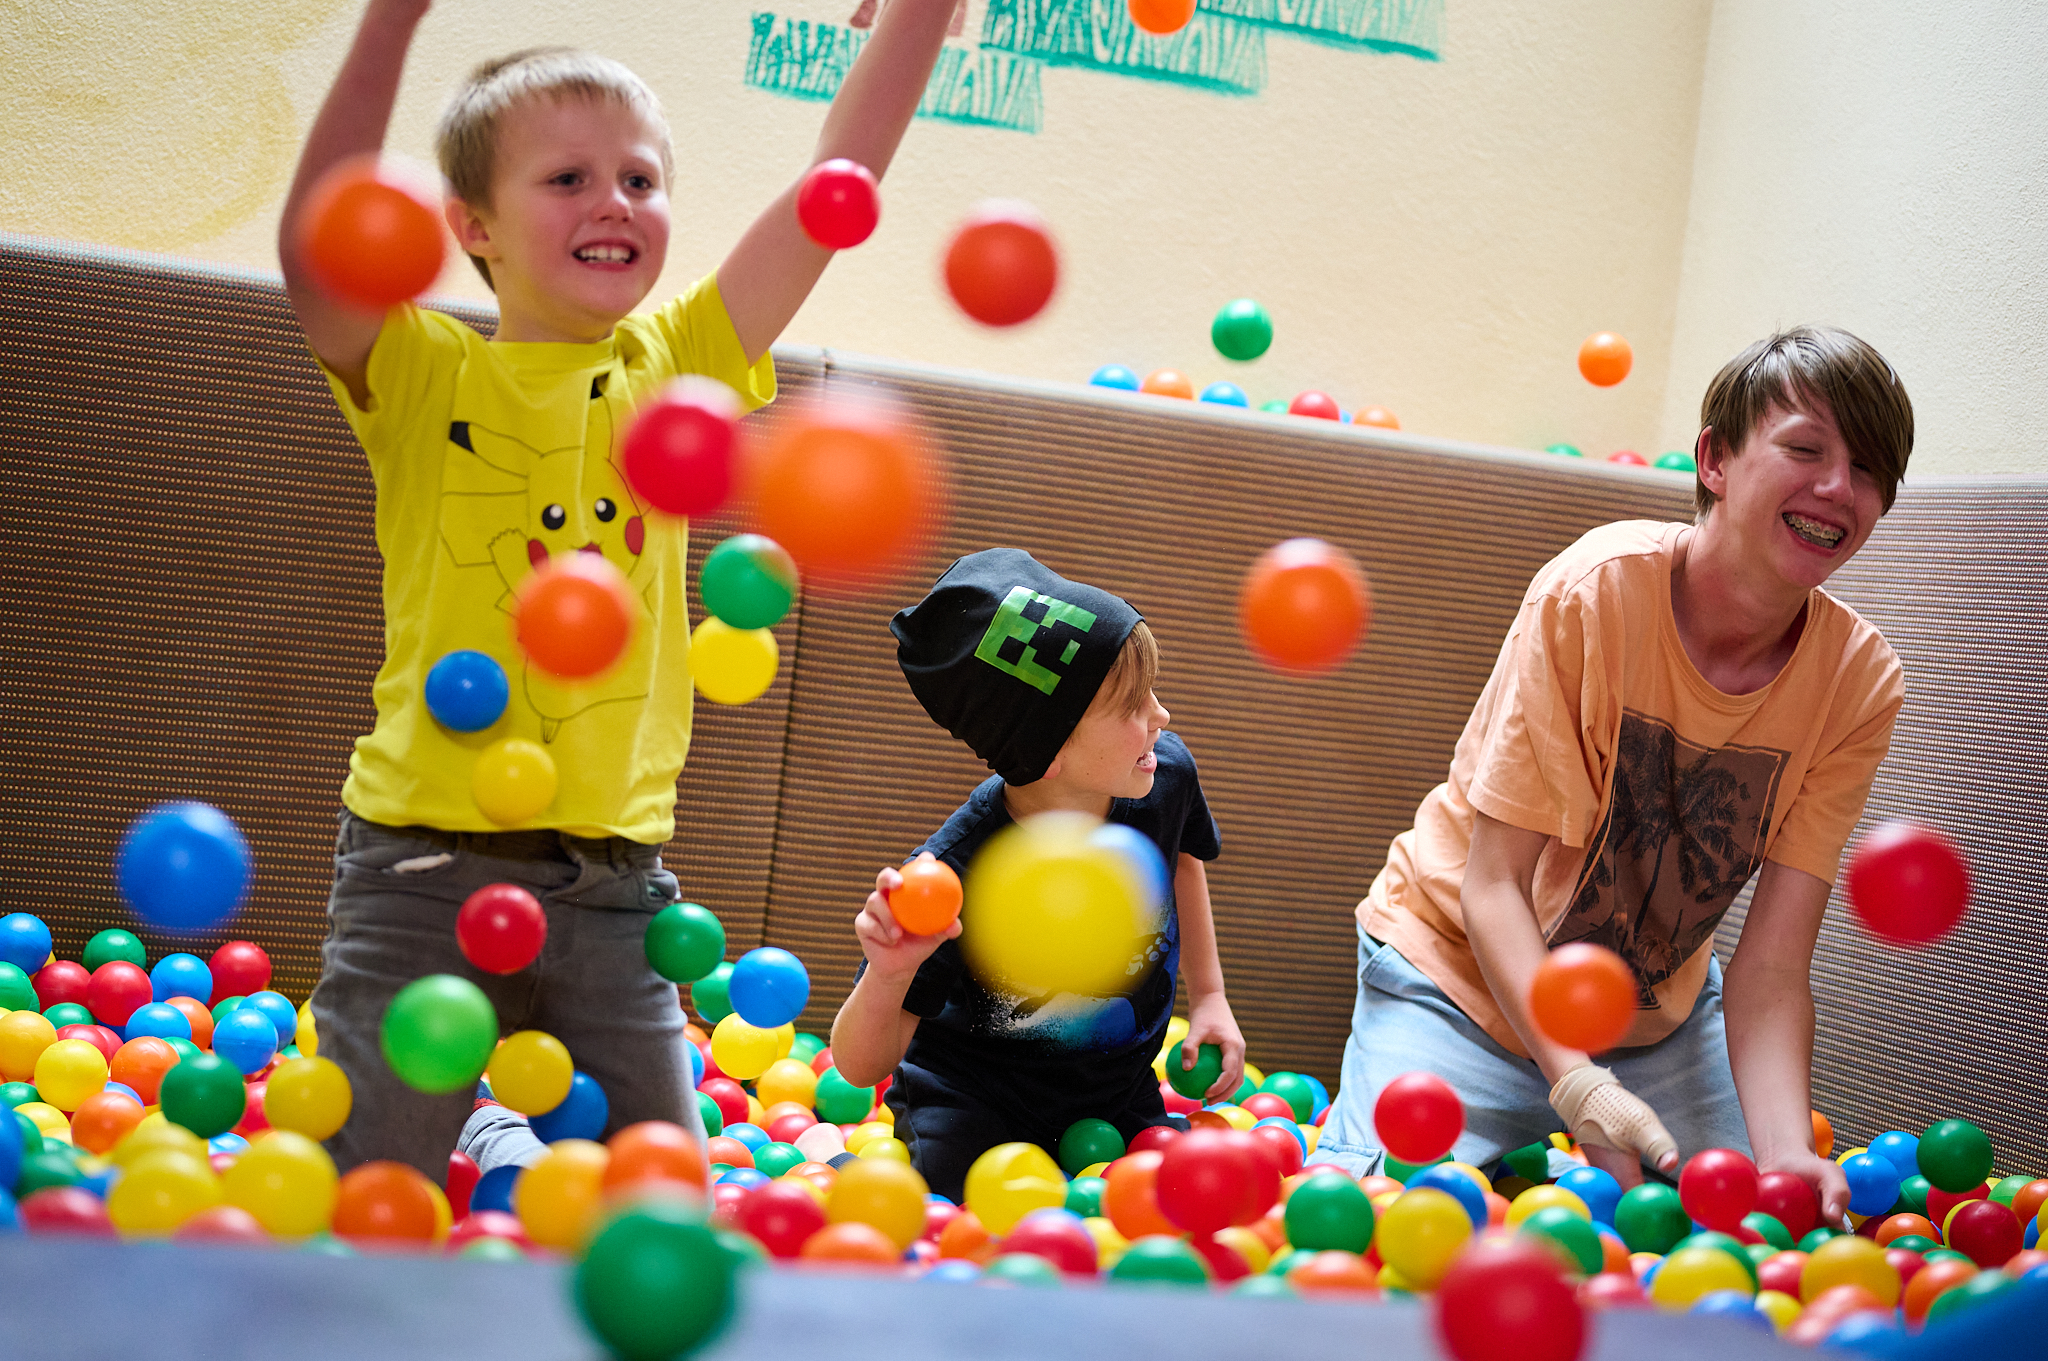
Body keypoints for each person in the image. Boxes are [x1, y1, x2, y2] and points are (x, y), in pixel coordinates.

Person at [280, 0, 959, 1178]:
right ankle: (480, 1124)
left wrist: (923, 13)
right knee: (367, 1193)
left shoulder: (677, 369)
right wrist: (390, 23)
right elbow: (318, 246)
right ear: (471, 226)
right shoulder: (423, 372)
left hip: (612, 887)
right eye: (568, 179)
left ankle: (499, 1127)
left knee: (665, 1203)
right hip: (418, 873)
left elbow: (830, 191)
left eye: (640, 180)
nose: (615, 203)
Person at [1315, 326, 1913, 1225]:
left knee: (1747, 1230)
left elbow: (1773, 965)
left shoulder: (1859, 682)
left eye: (1869, 470)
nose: (1838, 489)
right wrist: (1576, 1086)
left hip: (1650, 1020)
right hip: (1461, 983)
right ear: (1715, 459)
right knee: (1369, 1225)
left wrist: (1787, 1152)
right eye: (1805, 449)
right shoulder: (1593, 593)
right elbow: (1493, 887)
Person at [830, 549, 1245, 1201]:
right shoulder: (951, 875)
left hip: (1116, 1094)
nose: (1161, 717)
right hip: (974, 1103)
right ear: (1047, 753)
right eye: (1136, 705)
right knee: (950, 1213)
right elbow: (858, 1065)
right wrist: (891, 970)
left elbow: (1182, 859)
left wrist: (1212, 996)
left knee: (1179, 1200)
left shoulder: (1164, 778)